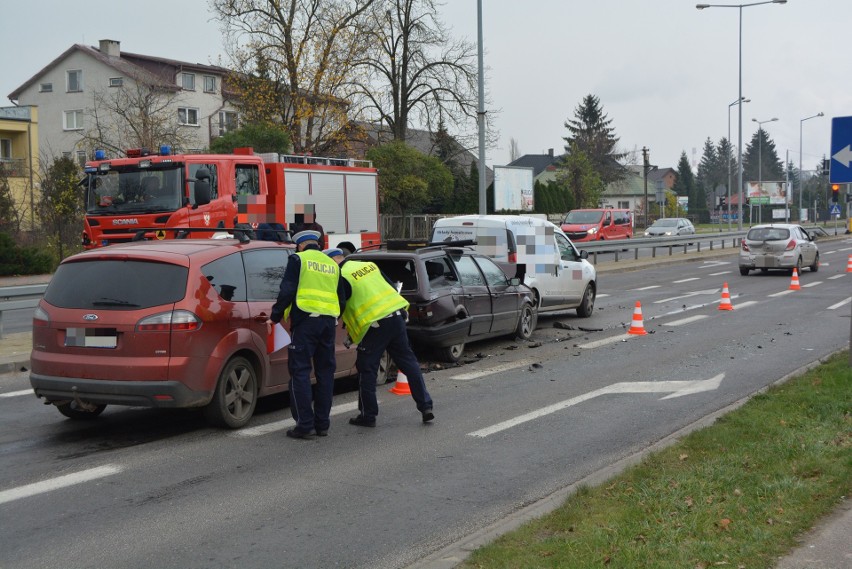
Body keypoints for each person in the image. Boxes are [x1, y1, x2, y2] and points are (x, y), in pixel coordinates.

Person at [324, 248, 434, 427]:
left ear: (332, 262)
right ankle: (426, 406)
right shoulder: (368, 265)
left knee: (366, 369)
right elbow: (392, 288)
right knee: (409, 363)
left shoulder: (341, 276)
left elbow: (340, 304)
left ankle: (368, 415)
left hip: (375, 326)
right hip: (396, 317)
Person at [268, 230, 345, 439]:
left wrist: (274, 317)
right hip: (328, 323)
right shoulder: (331, 264)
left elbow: (287, 290)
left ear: (300, 246)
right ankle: (322, 425)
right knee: (325, 372)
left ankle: (304, 425)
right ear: (317, 244)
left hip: (305, 323)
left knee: (300, 371)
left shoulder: (298, 259)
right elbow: (342, 297)